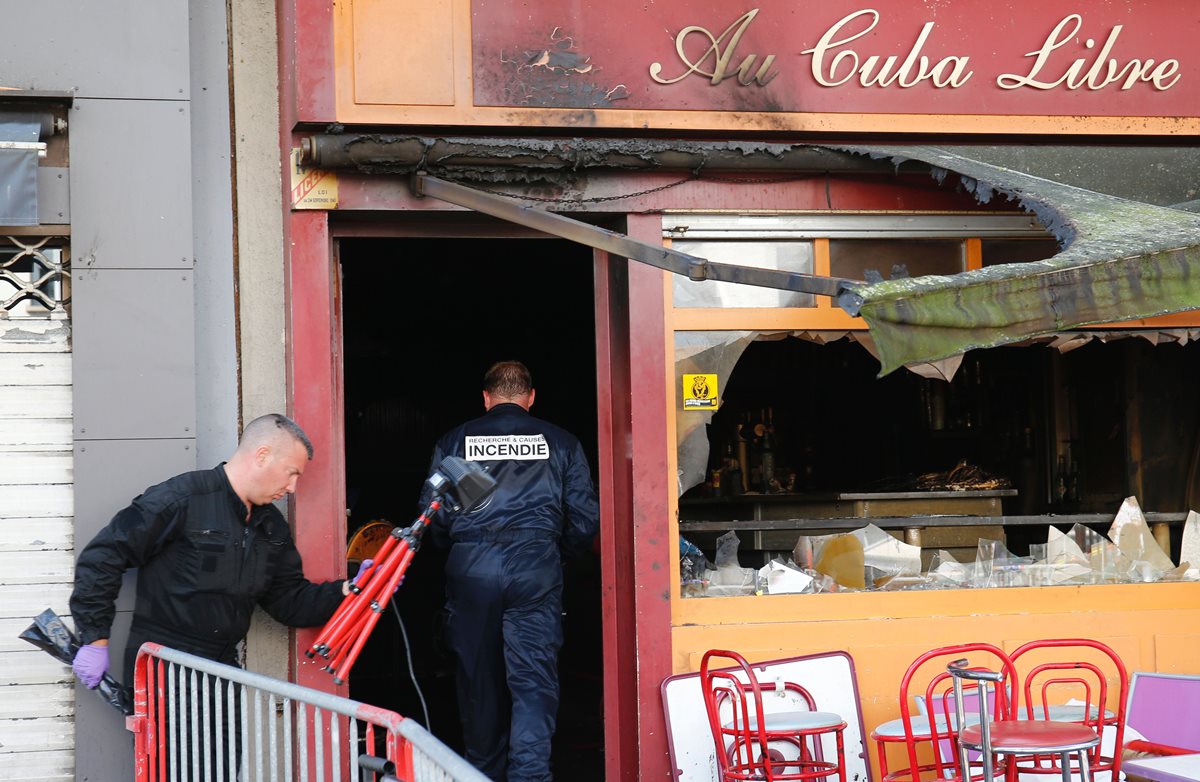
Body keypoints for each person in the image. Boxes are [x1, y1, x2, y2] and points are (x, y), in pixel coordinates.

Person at [69, 413, 360, 692]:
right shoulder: (182, 498)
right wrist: (95, 639)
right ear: (262, 455)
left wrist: (350, 589)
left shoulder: (271, 527)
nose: (292, 487)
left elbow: (290, 601)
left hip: (222, 674)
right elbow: (103, 557)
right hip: (163, 671)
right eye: (291, 473)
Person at [425, 361, 599, 782]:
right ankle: (531, 775)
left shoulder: (454, 441)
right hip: (535, 567)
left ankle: (481, 772)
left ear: (486, 398)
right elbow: (584, 522)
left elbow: (433, 517)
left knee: (478, 681)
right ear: (531, 397)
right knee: (534, 680)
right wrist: (554, 555)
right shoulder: (562, 442)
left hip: (472, 568)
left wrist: (458, 550)